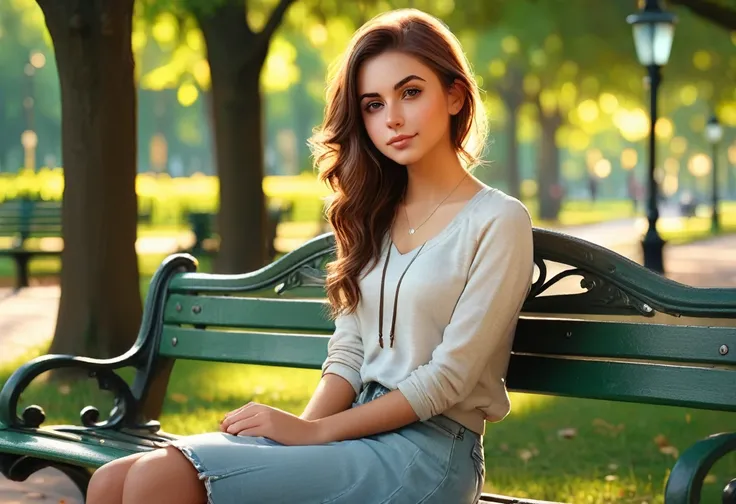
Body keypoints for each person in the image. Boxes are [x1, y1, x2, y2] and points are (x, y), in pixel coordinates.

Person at [86, 8, 534, 504]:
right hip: (352, 435)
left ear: (453, 95)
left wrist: (313, 435)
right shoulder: (372, 216)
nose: (393, 118)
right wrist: (300, 432)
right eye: (372, 104)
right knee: (112, 480)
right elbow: (349, 354)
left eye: (411, 92)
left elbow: (448, 380)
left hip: (430, 453)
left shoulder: (497, 220)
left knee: (157, 480)